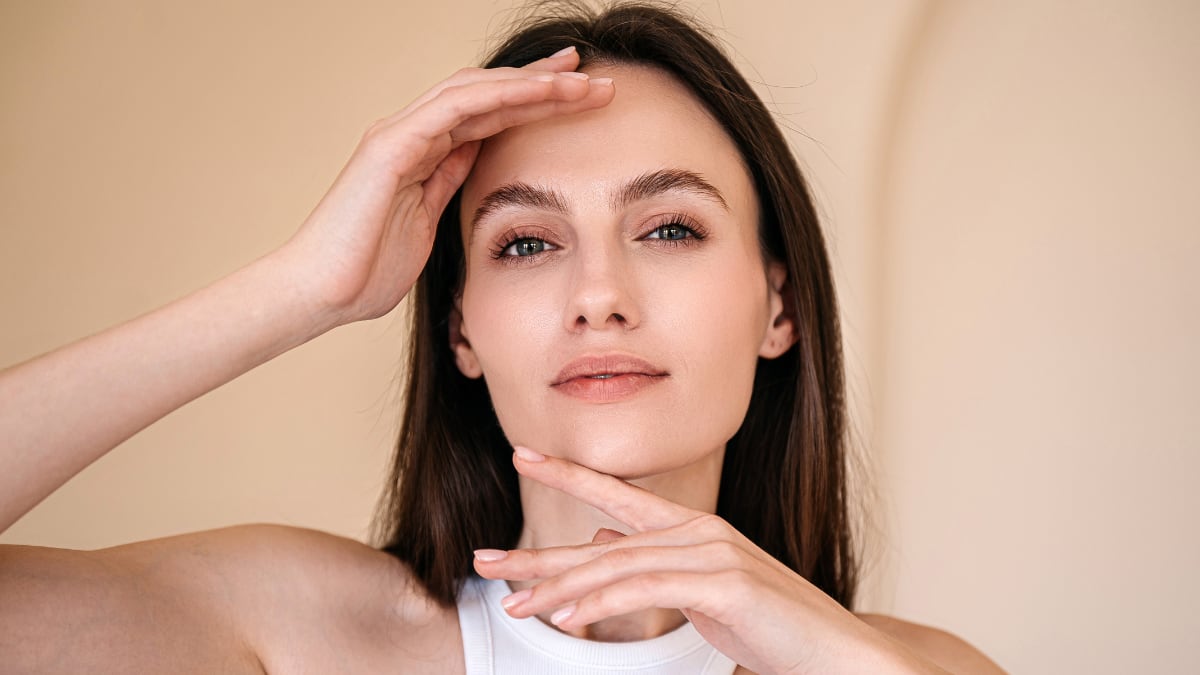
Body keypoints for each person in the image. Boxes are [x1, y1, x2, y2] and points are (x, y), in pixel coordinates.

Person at [0, 3, 1004, 673]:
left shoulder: (910, 668)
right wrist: (302, 289)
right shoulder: (296, 633)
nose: (599, 294)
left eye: (668, 228)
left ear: (779, 307)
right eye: (527, 242)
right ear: (461, 329)